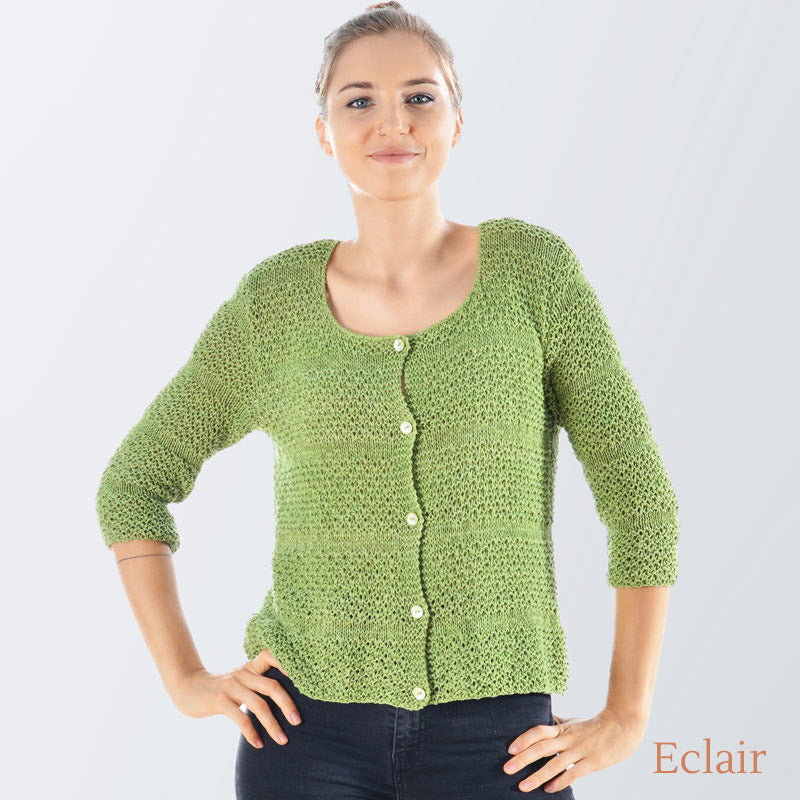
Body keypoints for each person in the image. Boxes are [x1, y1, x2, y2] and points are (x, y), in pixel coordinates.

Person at [95, 3, 680, 798]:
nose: (392, 121)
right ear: (323, 131)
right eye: (359, 100)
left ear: (457, 122)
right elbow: (132, 484)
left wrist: (628, 714)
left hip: (505, 741)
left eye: (420, 96)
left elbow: (639, 495)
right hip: (303, 737)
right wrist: (184, 677)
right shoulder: (275, 305)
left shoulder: (533, 274)